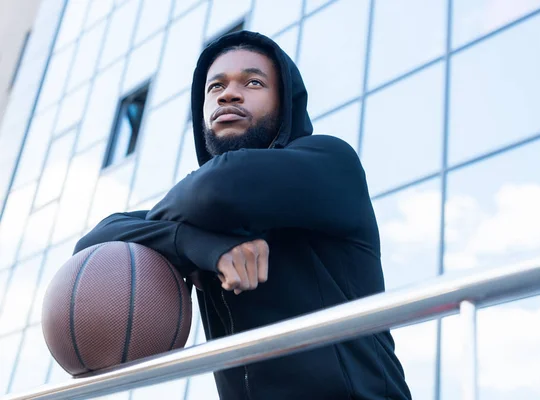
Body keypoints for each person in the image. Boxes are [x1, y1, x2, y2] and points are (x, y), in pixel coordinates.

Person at [75, 30, 412, 400]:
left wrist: (185, 238)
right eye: (214, 86)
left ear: (284, 103)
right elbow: (92, 243)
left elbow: (217, 187)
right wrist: (198, 245)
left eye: (253, 82)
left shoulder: (330, 163)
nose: (228, 93)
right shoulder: (190, 219)